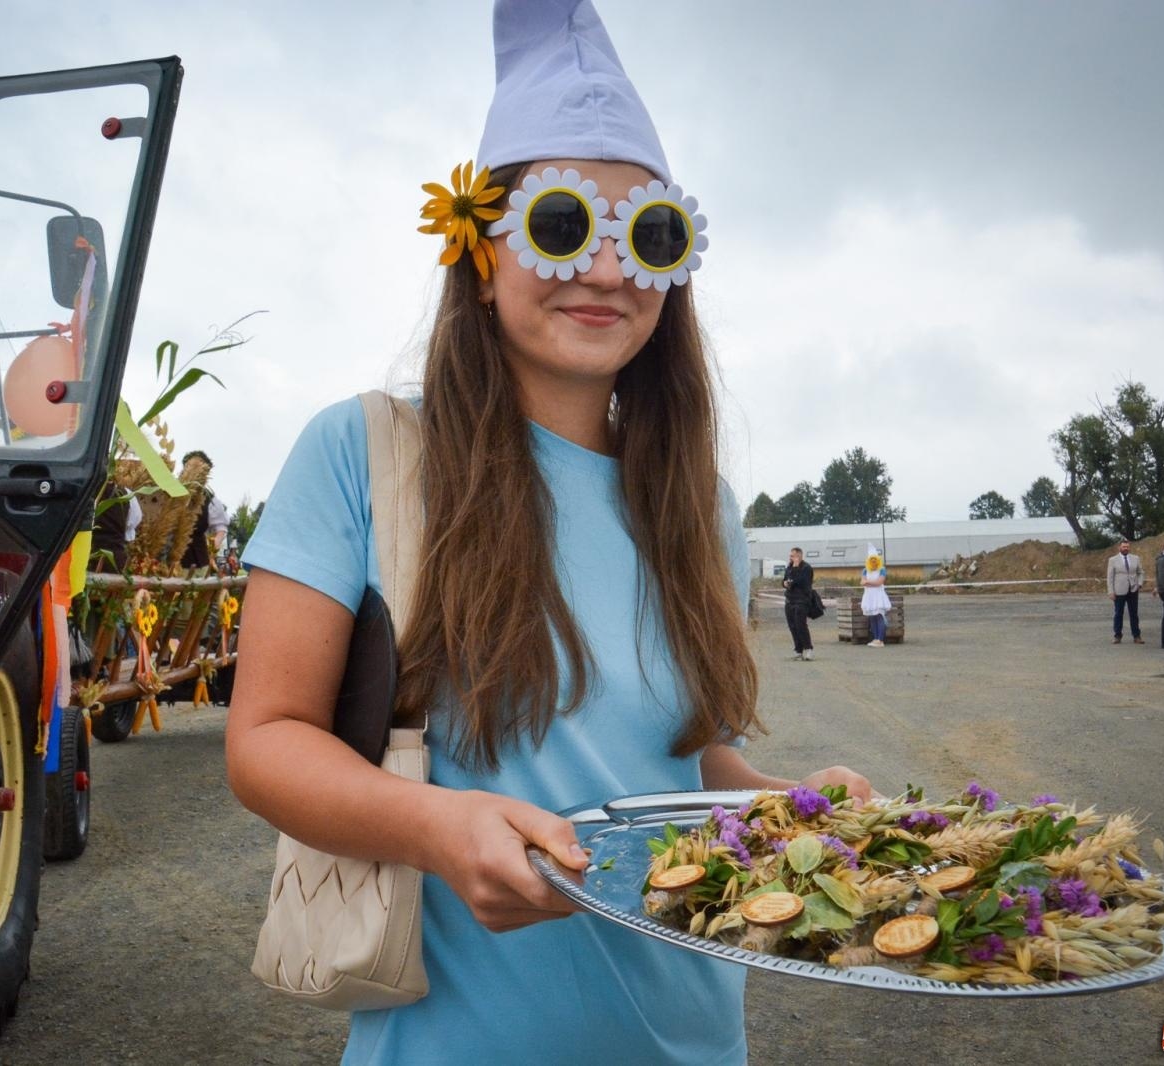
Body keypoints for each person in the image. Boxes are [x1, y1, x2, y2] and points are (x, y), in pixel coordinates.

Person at [224, 4, 870, 1061]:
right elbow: (265, 740)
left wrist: (783, 806)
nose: (608, 271)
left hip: (693, 1039)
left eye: (648, 235)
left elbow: (684, 759)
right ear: (481, 255)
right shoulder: (359, 453)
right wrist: (438, 828)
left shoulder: (699, 503)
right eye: (562, 224)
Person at [178, 449, 231, 571]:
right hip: (169, 558)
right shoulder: (173, 492)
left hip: (198, 559)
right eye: (190, 466)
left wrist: (213, 548)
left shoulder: (210, 499)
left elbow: (221, 528)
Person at [1105, 539, 1144, 644]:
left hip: (1133, 589)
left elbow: (1140, 572)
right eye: (1123, 547)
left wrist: (1139, 583)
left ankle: (1137, 636)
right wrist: (1110, 591)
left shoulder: (1136, 558)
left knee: (1134, 614)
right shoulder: (1112, 560)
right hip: (1119, 590)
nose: (1125, 548)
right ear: (1119, 547)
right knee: (1118, 613)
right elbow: (1110, 577)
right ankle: (1117, 635)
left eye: (1127, 547)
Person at [782, 547, 815, 661]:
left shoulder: (806, 568)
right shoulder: (789, 567)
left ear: (799, 556)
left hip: (801, 600)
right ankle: (798, 650)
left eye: (793, 556)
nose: (790, 558)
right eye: (790, 556)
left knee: (800, 625)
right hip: (789, 600)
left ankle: (808, 648)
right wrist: (784, 583)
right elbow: (785, 579)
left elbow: (801, 582)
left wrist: (795, 569)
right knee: (792, 626)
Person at [859, 544, 891, 647]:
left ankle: (880, 640)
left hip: (878, 596)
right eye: (871, 559)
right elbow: (862, 582)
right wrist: (870, 583)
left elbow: (879, 582)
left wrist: (868, 582)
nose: (873, 561)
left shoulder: (882, 569)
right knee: (872, 617)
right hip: (869, 596)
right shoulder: (865, 570)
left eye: (874, 559)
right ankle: (876, 638)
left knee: (879, 616)